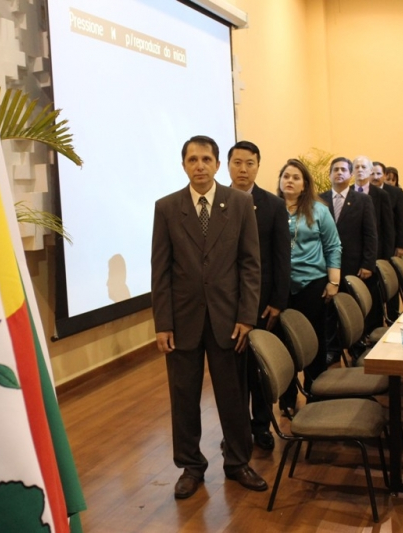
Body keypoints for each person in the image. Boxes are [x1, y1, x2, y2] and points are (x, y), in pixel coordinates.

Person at [151, 135, 267, 500]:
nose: (199, 166)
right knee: (183, 398)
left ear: (217, 164)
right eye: (192, 160)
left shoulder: (240, 203)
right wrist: (162, 323)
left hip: (229, 320)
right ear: (183, 165)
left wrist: (247, 316)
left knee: (233, 396)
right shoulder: (167, 208)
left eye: (206, 159)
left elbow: (250, 265)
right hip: (182, 320)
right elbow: (160, 270)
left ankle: (238, 462)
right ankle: (190, 466)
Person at [227, 140, 290, 451]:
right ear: (228, 166)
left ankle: (261, 425)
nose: (243, 169)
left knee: (260, 367)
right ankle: (235, 431)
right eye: (237, 163)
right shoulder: (217, 202)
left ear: (258, 166)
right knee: (232, 372)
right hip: (226, 303)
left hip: (263, 302)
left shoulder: (273, 205)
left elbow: (281, 257)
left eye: (249, 163)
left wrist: (278, 301)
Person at [276, 158, 342, 417]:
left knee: (314, 341)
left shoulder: (318, 210)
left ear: (304, 185)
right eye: (286, 176)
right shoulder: (272, 209)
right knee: (284, 345)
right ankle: (287, 399)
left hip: (312, 285)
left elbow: (333, 246)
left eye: (296, 177)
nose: (290, 181)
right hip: (281, 288)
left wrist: (333, 282)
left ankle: (316, 393)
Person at [319, 157, 377, 365]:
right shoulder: (319, 200)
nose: (339, 173)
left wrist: (368, 263)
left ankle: (357, 346)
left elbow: (370, 234)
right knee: (329, 310)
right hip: (325, 266)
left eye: (344, 169)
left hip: (354, 265)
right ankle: (332, 350)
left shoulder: (362, 200)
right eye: (335, 169)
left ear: (350, 175)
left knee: (354, 307)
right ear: (329, 175)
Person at [352, 156, 394, 335]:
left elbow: (387, 227)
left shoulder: (381, 195)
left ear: (370, 171)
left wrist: (386, 258)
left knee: (373, 296)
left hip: (375, 255)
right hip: (353, 255)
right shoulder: (348, 194)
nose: (360, 170)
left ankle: (373, 331)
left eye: (364, 167)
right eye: (357, 167)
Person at [372, 161, 403, 257]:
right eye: (372, 174)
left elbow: (402, 221)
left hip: (389, 242)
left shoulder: (396, 193)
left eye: (378, 174)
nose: (375, 177)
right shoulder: (362, 192)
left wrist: (401, 245)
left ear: (384, 175)